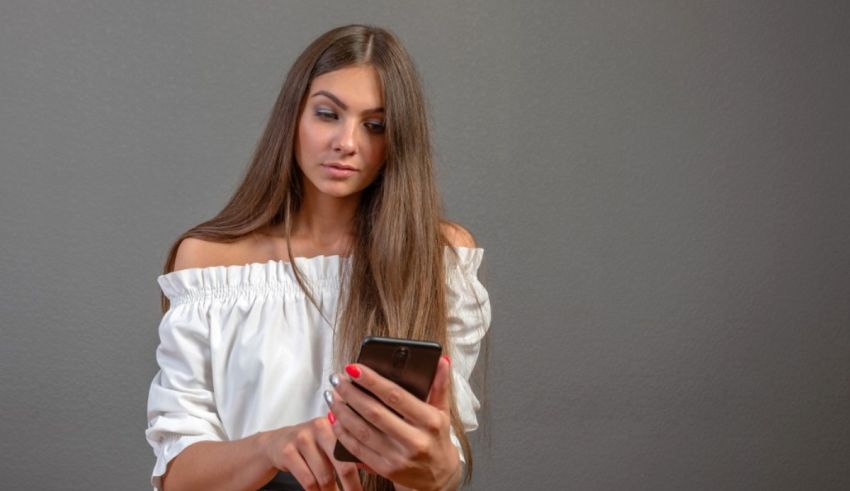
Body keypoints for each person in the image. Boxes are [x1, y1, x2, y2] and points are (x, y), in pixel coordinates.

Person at [146, 24, 490, 491]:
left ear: (397, 142)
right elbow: (177, 477)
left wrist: (440, 471)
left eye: (374, 126)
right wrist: (271, 446)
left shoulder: (439, 259)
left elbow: (442, 460)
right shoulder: (208, 264)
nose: (347, 142)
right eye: (328, 114)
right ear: (294, 116)